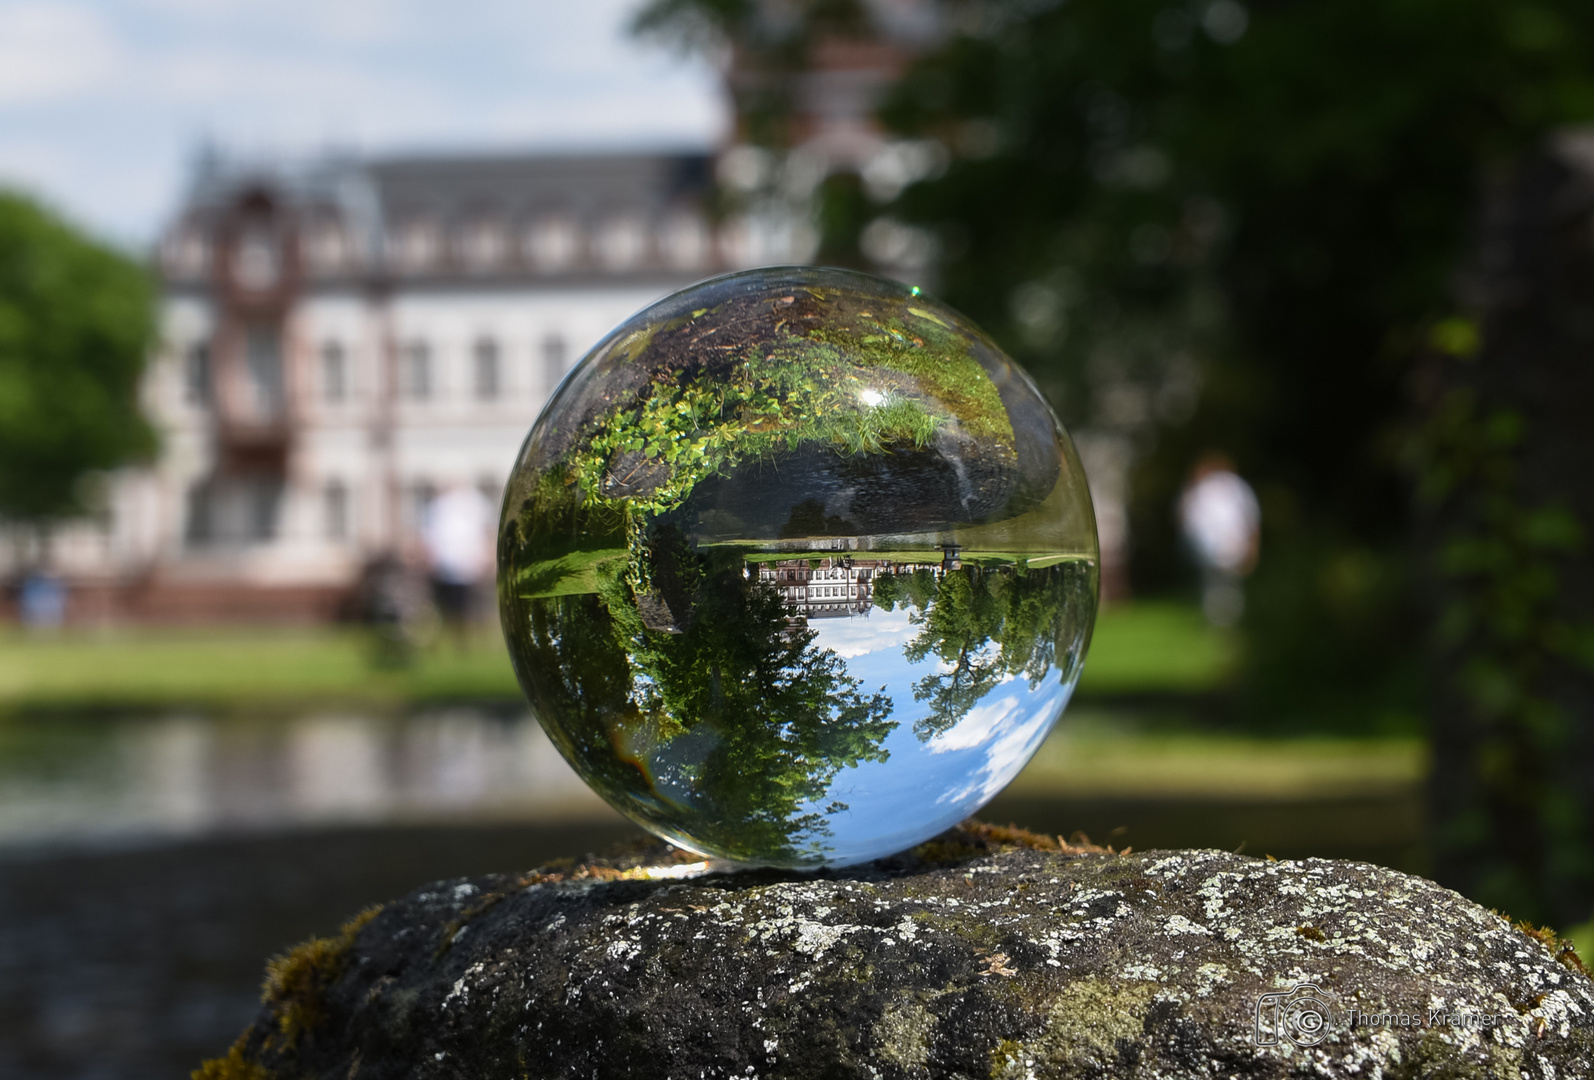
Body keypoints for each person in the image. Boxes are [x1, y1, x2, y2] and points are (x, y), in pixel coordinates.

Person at [1178, 453, 1260, 627]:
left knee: (1230, 584)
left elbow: (1250, 515)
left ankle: (1232, 620)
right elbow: (1189, 518)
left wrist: (1250, 544)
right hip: (1208, 547)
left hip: (1233, 543)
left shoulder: (1236, 487)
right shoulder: (1200, 490)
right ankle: (1217, 620)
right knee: (1213, 584)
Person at [421, 483, 495, 647]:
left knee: (471, 606)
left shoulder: (473, 503)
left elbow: (484, 530)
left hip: (469, 564)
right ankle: (457, 639)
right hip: (450, 565)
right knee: (450, 606)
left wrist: (486, 554)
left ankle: (474, 639)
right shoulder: (440, 506)